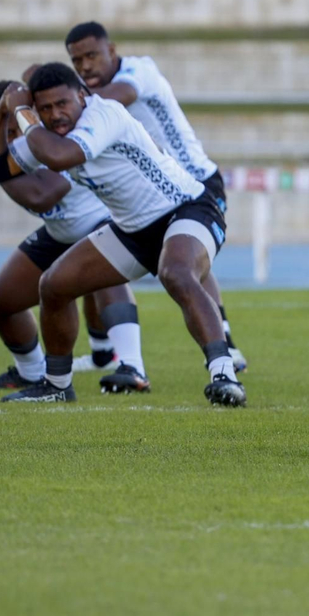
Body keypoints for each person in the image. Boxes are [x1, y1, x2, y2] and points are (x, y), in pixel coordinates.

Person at [0, 64, 240, 405]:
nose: (56, 114)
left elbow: (61, 157)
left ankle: (224, 375)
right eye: (45, 109)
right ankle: (57, 386)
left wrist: (21, 111)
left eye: (62, 103)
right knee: (53, 285)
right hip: (132, 230)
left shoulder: (102, 114)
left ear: (81, 95)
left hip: (185, 209)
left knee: (177, 273)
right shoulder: (46, 134)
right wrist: (1, 115)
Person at [0, 81, 147, 395]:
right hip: (61, 232)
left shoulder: (54, 138)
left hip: (103, 221)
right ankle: (33, 373)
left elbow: (43, 194)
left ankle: (132, 367)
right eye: (4, 133)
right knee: (0, 299)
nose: (14, 140)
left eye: (16, 129)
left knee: (104, 268)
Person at [59, 21, 247, 371]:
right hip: (155, 190)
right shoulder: (86, 94)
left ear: (111, 51)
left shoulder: (137, 70)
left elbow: (124, 94)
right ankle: (104, 352)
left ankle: (227, 346)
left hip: (197, 181)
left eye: (91, 56)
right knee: (101, 254)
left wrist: (54, 101)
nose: (85, 66)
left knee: (191, 265)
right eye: (76, 61)